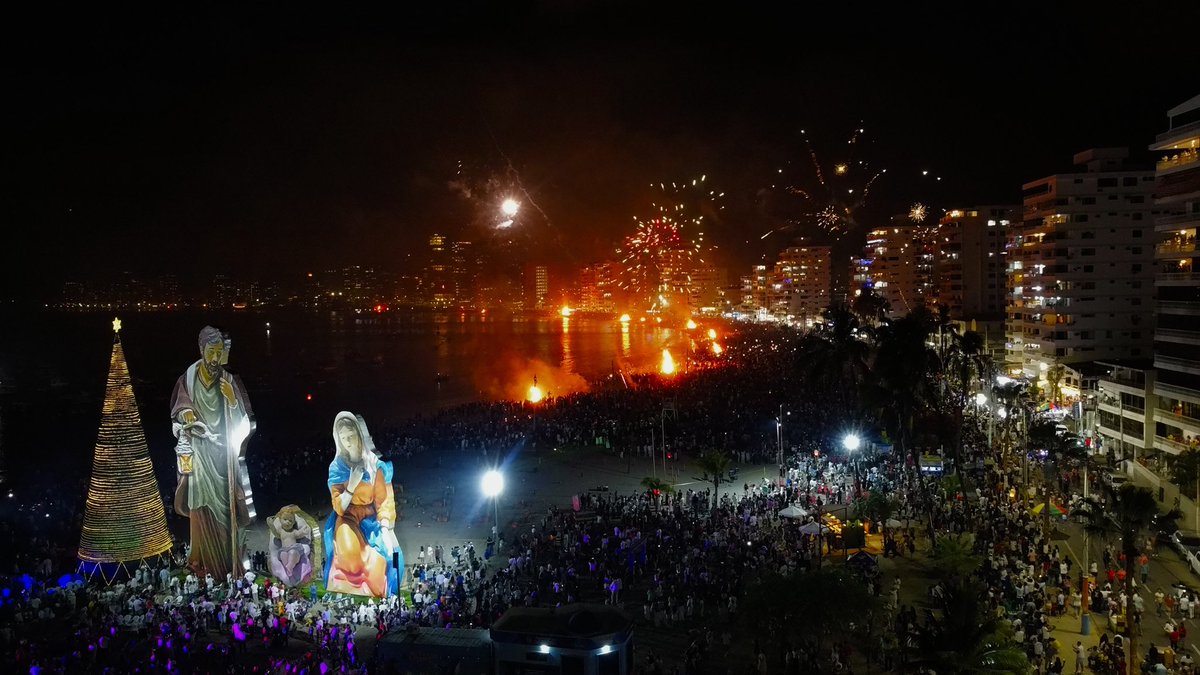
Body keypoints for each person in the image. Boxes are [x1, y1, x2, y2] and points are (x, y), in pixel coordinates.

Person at [170, 325, 256, 578]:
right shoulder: (188, 378)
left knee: (225, 506)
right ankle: (203, 562)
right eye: (211, 351)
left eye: (219, 352)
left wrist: (231, 399)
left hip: (222, 457)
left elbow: (244, 421)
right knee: (201, 507)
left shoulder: (229, 380)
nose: (215, 358)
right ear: (201, 349)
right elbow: (180, 407)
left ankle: (227, 563)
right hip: (199, 452)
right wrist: (187, 415)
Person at [323, 411, 401, 597]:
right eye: (343, 438)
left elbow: (383, 501)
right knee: (351, 560)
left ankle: (377, 584)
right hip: (348, 517)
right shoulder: (337, 468)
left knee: (389, 555)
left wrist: (385, 528)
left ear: (360, 434)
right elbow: (339, 507)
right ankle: (354, 579)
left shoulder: (375, 465)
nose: (348, 441)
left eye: (351, 436)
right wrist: (351, 484)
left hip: (372, 518)